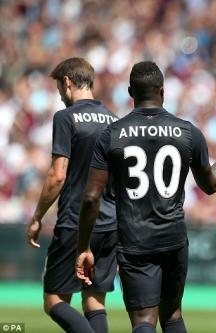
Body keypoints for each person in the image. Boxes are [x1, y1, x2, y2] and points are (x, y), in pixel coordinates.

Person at [75, 61, 216, 333]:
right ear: (163, 91)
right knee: (173, 316)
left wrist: (84, 247)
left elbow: (91, 197)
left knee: (144, 320)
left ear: (131, 91)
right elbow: (211, 185)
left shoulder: (113, 134)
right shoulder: (188, 132)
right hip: (174, 238)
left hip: (134, 240)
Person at [25, 57, 118, 333]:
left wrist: (37, 217)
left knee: (54, 300)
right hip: (110, 221)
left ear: (67, 82)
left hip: (76, 221)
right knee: (94, 300)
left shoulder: (66, 118)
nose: (60, 96)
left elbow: (57, 176)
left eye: (58, 89)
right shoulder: (114, 120)